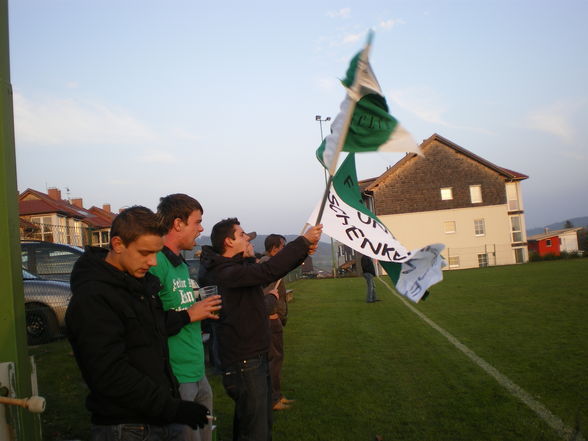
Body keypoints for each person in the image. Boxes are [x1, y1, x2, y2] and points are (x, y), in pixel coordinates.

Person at [65, 206, 211, 441]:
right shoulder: (94, 297)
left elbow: (152, 336)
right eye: (145, 253)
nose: (153, 262)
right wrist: (173, 407)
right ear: (118, 244)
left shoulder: (140, 285)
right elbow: (110, 374)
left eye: (156, 252)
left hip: (156, 417)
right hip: (126, 427)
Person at [199, 218, 322, 441]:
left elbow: (273, 269)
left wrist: (303, 252)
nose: (248, 239)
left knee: (254, 423)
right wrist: (303, 242)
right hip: (244, 363)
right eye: (242, 234)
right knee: (255, 431)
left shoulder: (235, 268)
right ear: (228, 241)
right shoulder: (225, 273)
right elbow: (268, 270)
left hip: (253, 358)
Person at [150, 194, 221, 441]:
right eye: (197, 222)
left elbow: (181, 308)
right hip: (176, 376)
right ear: (178, 224)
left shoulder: (180, 265)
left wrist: (199, 309)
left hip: (197, 370)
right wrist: (191, 313)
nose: (201, 228)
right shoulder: (155, 261)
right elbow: (148, 322)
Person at [259, 234, 295, 411]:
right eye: (282, 247)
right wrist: (272, 315)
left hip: (273, 320)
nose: (284, 250)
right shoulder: (268, 266)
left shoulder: (269, 265)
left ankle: (276, 395)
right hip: (270, 321)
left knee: (274, 359)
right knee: (274, 360)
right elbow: (265, 294)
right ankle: (274, 399)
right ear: (274, 248)